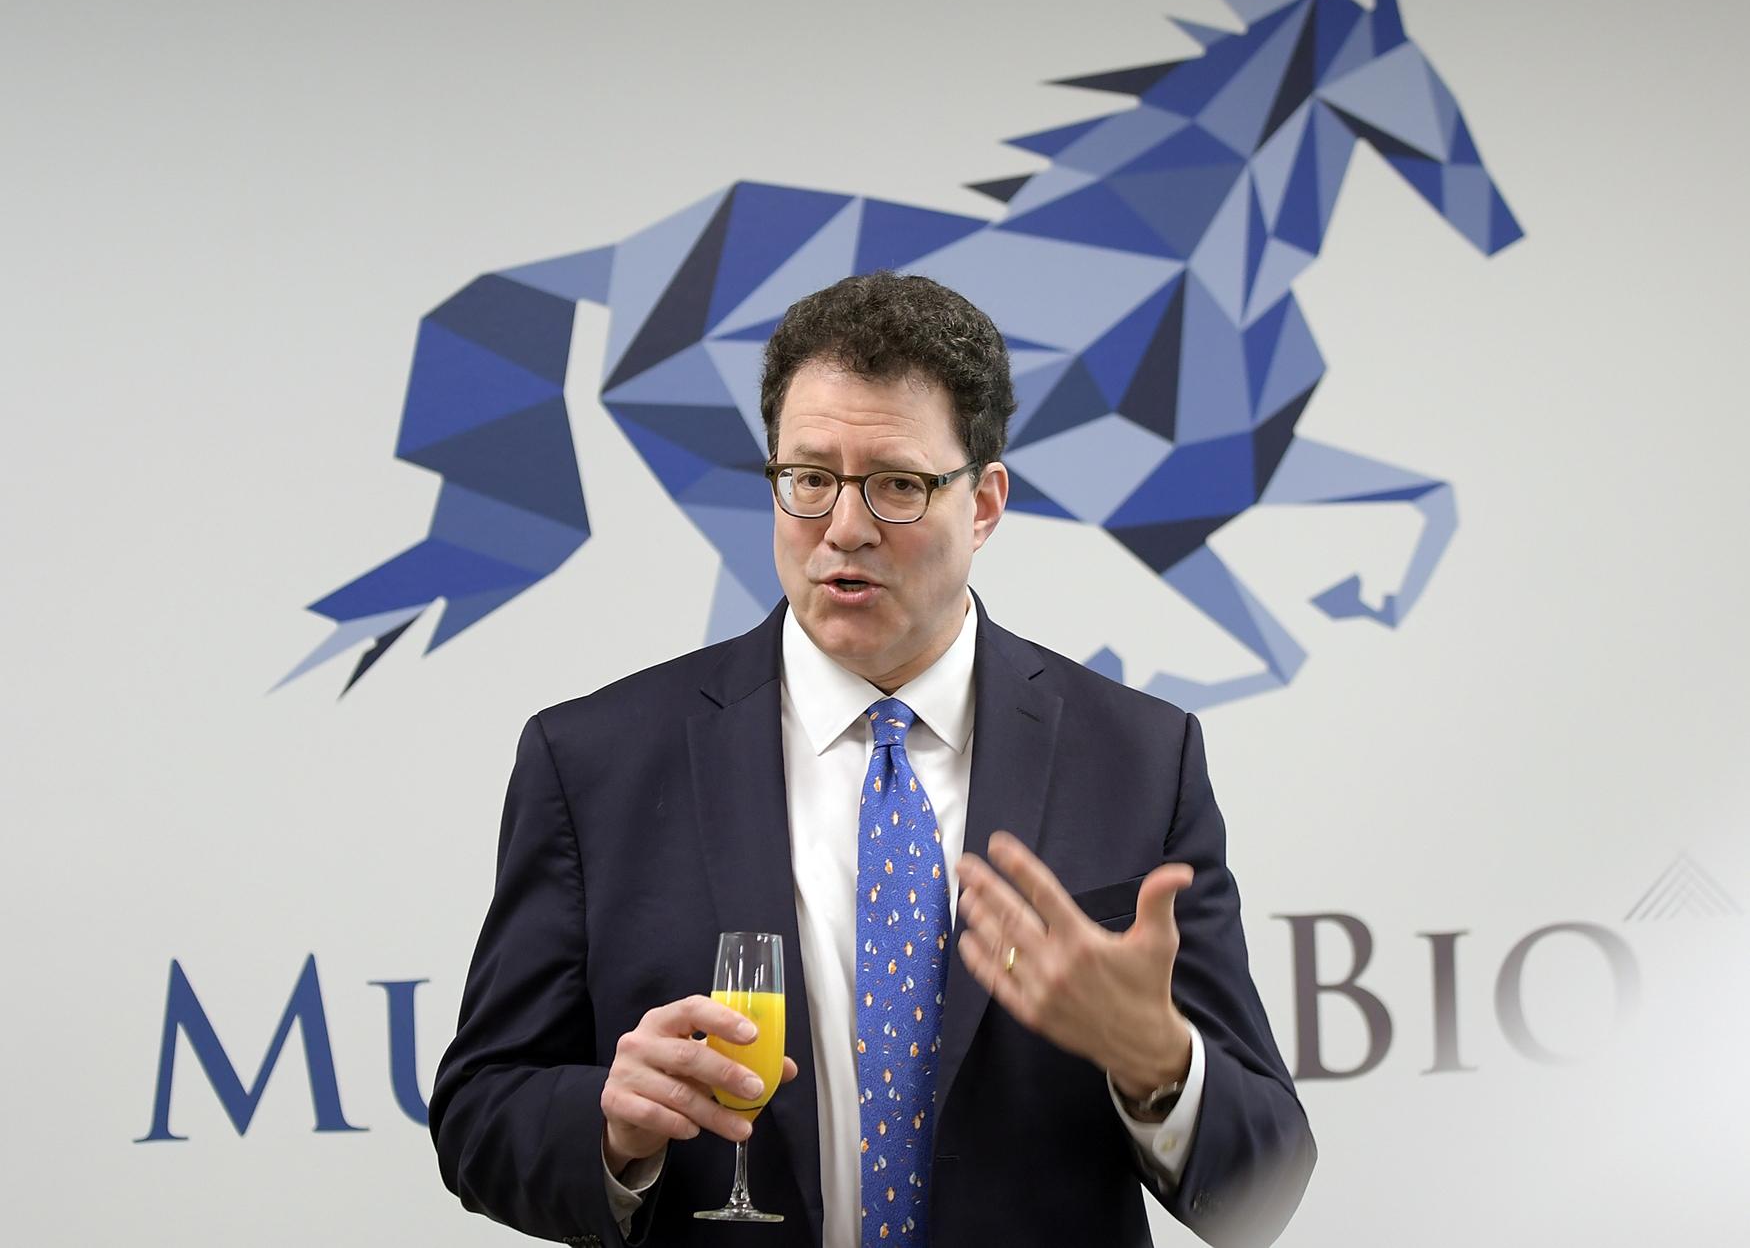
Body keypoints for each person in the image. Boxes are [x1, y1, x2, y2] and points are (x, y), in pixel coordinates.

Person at [429, 272, 1315, 1247]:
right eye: (809, 478)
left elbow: (1266, 1177)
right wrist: (611, 1124)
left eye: (896, 484)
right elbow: (480, 1113)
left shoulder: (1139, 759)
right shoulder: (595, 761)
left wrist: (1157, 1061)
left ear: (983, 504)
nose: (844, 527)